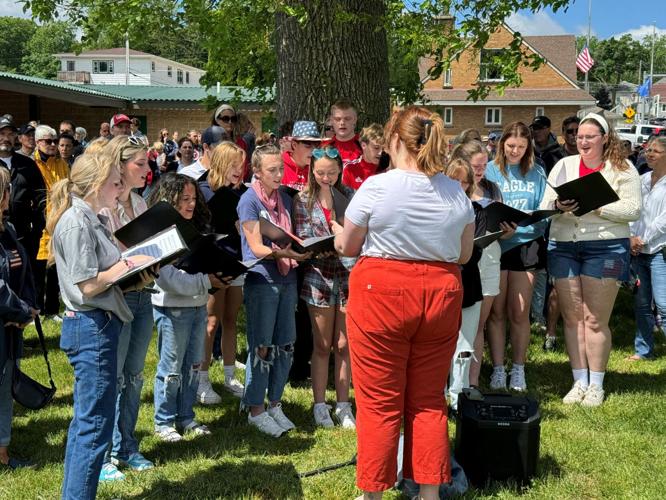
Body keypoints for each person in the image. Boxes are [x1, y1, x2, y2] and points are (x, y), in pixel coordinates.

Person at [332, 106, 474, 498]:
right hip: (441, 291)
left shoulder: (378, 186)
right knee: (428, 401)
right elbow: (463, 255)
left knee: (379, 401)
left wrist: (337, 234)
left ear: (395, 140)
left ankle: (373, 492)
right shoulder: (454, 191)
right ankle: (429, 492)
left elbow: (347, 245)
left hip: (384, 291)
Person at [49, 152, 153, 500]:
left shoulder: (90, 217)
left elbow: (101, 279)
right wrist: (128, 265)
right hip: (91, 327)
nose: (120, 187)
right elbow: (88, 284)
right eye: (115, 182)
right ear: (96, 184)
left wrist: (135, 277)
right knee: (93, 426)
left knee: (89, 424)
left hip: (99, 324)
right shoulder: (78, 221)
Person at [540, 113, 641, 406]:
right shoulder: (563, 165)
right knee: (572, 320)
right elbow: (545, 203)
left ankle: (596, 384)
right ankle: (578, 380)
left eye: (589, 136)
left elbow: (633, 210)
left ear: (604, 138)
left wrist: (596, 206)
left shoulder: (623, 169)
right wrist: (558, 205)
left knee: (594, 319)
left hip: (605, 247)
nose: (582, 141)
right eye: (579, 137)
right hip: (563, 246)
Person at [238, 144, 310, 437]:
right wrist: (286, 254)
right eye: (272, 170)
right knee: (262, 345)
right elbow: (255, 247)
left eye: (281, 168)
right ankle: (255, 408)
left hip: (286, 278)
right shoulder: (248, 201)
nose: (279, 174)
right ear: (257, 171)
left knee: (285, 344)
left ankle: (275, 403)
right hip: (262, 279)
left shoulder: (283, 198)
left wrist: (298, 251)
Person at [147, 173, 226, 442]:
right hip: (172, 308)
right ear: (169, 201)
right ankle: (164, 421)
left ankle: (186, 416)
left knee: (193, 365)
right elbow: (167, 278)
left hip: (197, 305)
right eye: (184, 200)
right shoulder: (161, 233)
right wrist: (206, 280)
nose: (191, 205)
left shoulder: (197, 229)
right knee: (171, 366)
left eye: (194, 199)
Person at [97, 135, 155, 480]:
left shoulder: (141, 203)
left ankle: (127, 446)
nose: (147, 170)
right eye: (141, 164)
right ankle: (102, 455)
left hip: (144, 293)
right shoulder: (104, 207)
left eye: (147, 163)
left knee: (134, 376)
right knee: (112, 377)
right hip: (117, 298)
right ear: (120, 166)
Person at [293, 145, 356, 428]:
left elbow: (357, 233)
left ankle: (343, 405)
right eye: (320, 172)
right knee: (322, 344)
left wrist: (343, 238)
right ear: (312, 172)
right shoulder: (303, 199)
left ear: (340, 170)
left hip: (346, 274)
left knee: (344, 344)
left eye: (331, 172)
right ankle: (320, 404)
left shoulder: (349, 197)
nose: (326, 177)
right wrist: (330, 241)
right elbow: (303, 235)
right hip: (318, 274)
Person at [485, 122, 547, 392]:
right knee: (496, 312)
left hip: (526, 245)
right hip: (497, 246)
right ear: (502, 145)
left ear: (528, 147)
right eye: (510, 146)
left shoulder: (537, 173)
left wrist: (523, 228)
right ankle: (498, 368)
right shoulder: (490, 171)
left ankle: (518, 369)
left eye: (521, 147)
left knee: (519, 312)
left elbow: (543, 213)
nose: (515, 151)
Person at [447, 140, 513, 389]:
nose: (480, 170)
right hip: (457, 266)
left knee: (476, 325)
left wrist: (506, 231)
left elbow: (501, 228)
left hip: (486, 261)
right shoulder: (446, 196)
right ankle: (448, 385)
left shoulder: (491, 190)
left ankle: (469, 384)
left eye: (484, 165)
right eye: (476, 165)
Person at [196, 142, 248, 403]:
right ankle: (202, 380)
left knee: (231, 318)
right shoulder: (202, 190)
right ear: (221, 163)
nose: (239, 170)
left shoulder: (239, 193)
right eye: (234, 165)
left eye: (242, 165)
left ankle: (230, 375)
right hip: (212, 262)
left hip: (236, 261)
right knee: (211, 321)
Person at [0, 167, 39, 471]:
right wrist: (20, 311)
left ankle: (2, 448)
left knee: (5, 386)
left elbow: (22, 269)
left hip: (11, 325)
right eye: (6, 188)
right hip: (6, 319)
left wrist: (28, 307)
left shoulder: (9, 229)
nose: (10, 194)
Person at [443, 159, 484, 411]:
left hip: (468, 282)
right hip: (442, 282)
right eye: (454, 180)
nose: (459, 185)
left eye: (464, 181)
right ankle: (438, 392)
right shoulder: (434, 207)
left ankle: (458, 394)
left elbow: (475, 252)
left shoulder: (476, 210)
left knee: (465, 342)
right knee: (439, 342)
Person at [629, 136, 666, 361]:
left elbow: (663, 221)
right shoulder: (641, 180)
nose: (649, 154)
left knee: (663, 305)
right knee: (641, 304)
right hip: (638, 252)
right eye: (647, 150)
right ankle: (644, 350)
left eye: (655, 151)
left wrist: (642, 238)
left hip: (660, 251)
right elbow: (634, 212)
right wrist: (632, 237)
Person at [32, 125, 69, 324]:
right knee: (38, 270)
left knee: (55, 268)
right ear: (38, 143)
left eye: (55, 141)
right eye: (48, 141)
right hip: (39, 222)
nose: (53, 145)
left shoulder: (61, 164)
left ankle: (53, 310)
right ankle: (36, 309)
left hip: (58, 221)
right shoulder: (32, 163)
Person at [0, 116, 46, 263]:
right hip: (1, 234)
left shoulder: (27, 164)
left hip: (25, 236)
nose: (5, 138)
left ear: (16, 137)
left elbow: (41, 197)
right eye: (2, 134)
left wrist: (37, 228)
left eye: (10, 134)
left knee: (26, 277)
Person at [282, 120, 322, 191]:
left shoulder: (318, 168)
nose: (314, 150)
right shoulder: (279, 166)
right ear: (294, 145)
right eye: (308, 145)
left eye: (317, 145)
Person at [342, 123, 384, 190]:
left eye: (383, 148)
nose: (380, 153)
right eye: (376, 148)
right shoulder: (349, 169)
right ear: (363, 145)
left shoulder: (387, 170)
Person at [328, 99, 362, 168]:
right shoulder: (324, 147)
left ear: (355, 120)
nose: (342, 123)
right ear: (332, 120)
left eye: (347, 119)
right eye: (338, 119)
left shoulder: (365, 146)